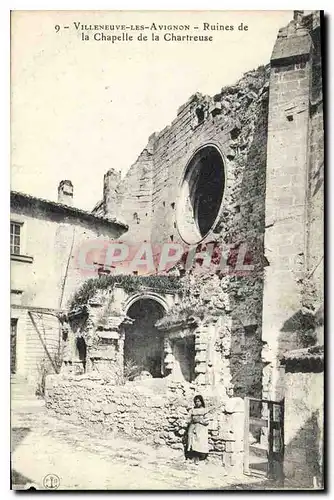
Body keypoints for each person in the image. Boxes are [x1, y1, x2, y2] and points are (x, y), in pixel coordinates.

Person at [187, 395, 209, 465]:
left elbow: (207, 421)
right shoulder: (193, 410)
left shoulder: (204, 410)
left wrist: (199, 420)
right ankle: (193, 456)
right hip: (193, 427)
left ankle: (200, 457)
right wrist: (192, 420)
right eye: (196, 402)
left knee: (200, 441)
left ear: (201, 402)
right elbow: (189, 419)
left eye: (199, 401)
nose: (197, 403)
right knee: (192, 440)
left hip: (201, 428)